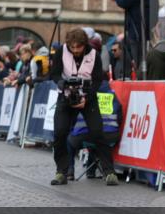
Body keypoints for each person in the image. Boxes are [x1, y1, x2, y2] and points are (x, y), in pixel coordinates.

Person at [49, 28, 116, 186]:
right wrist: (61, 83)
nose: (75, 50)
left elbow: (98, 79)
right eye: (72, 47)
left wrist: (87, 97)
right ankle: (61, 171)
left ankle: (109, 172)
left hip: (88, 97)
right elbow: (55, 74)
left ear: (84, 44)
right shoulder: (61, 51)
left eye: (78, 47)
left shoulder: (94, 55)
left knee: (97, 131)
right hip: (66, 96)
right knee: (59, 133)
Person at [66, 81, 122, 180]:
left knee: (68, 139)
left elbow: (72, 119)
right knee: (97, 140)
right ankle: (91, 171)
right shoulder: (112, 95)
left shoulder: (84, 95)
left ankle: (69, 171)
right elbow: (119, 117)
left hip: (86, 136)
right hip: (111, 137)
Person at [109, 0, 158, 79]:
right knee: (143, 57)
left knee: (138, 60)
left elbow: (126, 2)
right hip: (146, 28)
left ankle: (141, 80)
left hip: (136, 29)